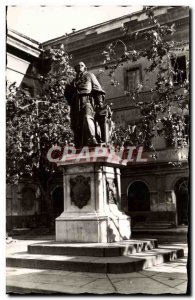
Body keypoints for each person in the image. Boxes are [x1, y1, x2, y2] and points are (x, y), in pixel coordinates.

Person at [64, 62, 106, 148]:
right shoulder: (72, 81)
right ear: (75, 69)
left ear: (85, 68)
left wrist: (100, 102)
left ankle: (92, 138)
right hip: (75, 103)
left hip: (86, 99)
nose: (79, 67)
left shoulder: (90, 75)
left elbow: (97, 88)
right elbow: (67, 95)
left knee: (87, 117)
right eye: (77, 66)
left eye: (81, 65)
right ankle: (78, 144)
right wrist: (69, 87)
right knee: (76, 124)